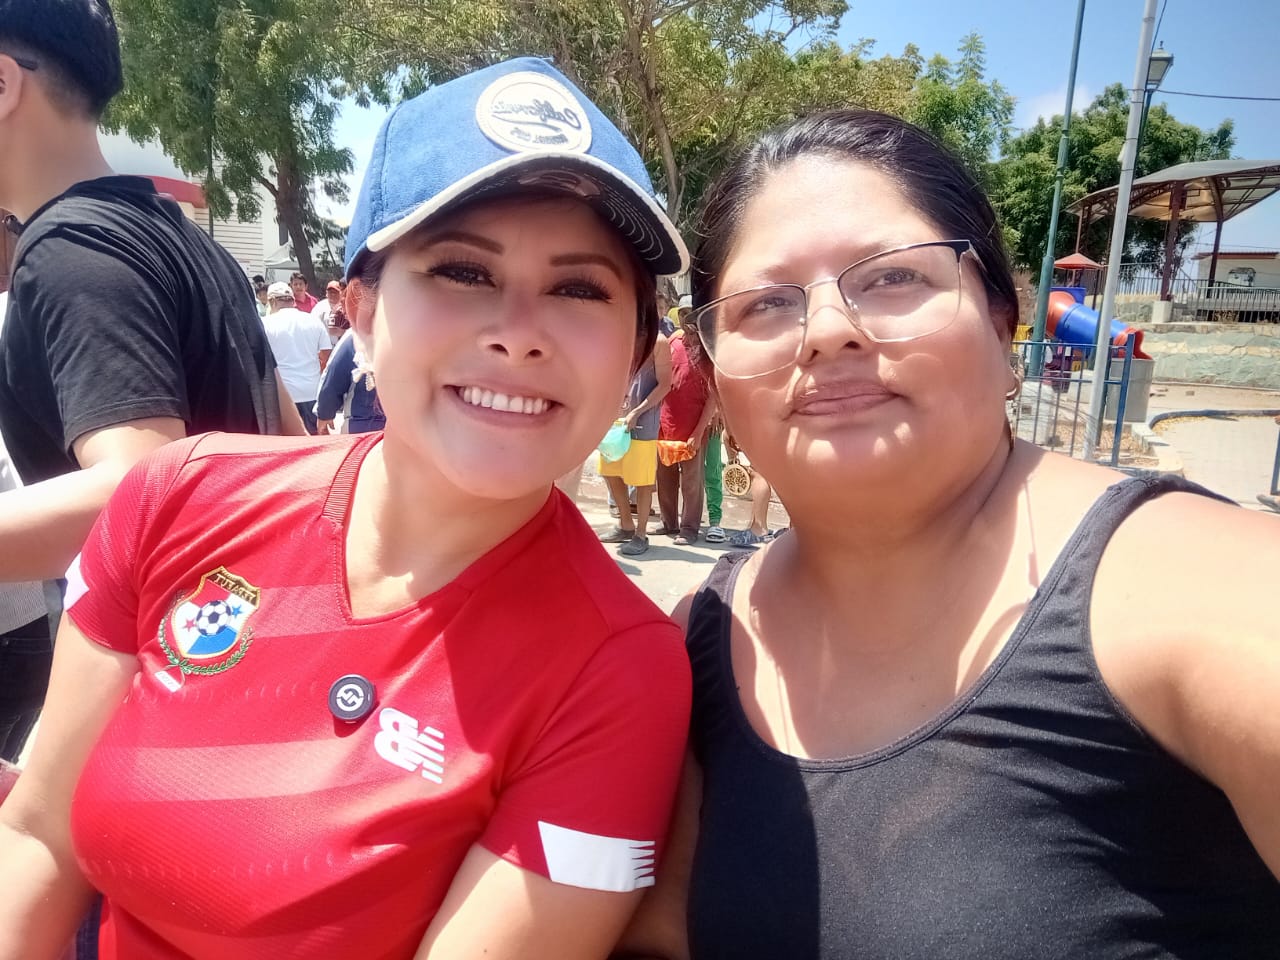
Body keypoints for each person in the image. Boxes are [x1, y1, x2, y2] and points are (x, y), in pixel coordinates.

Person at [0, 57, 693, 960]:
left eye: (578, 288)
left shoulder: (620, 673)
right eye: (462, 271)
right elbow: (38, 837)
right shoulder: (178, 498)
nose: (518, 334)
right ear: (360, 311)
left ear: (637, 349)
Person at [618, 109, 1280, 958]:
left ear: (1003, 326)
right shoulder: (702, 637)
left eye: (894, 277)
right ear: (716, 378)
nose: (828, 330)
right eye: (767, 304)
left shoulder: (1197, 589)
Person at [0, 0, 302, 762]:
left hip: (150, 696)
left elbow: (143, 490)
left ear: (3, 85)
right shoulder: (189, 243)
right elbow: (293, 446)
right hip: (239, 668)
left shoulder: (69, 248)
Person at [599, 333, 672, 557]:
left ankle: (641, 534)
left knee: (642, 480)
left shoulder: (658, 342)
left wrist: (637, 411)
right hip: (616, 417)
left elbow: (665, 384)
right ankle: (625, 525)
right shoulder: (622, 333)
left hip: (643, 420)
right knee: (610, 470)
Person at [655, 326, 715, 546]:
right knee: (664, 477)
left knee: (691, 482)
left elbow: (713, 398)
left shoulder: (707, 351)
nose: (688, 333)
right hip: (666, 424)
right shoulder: (673, 343)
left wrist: (698, 432)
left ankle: (689, 528)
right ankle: (668, 522)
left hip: (693, 428)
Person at [262, 280, 332, 434]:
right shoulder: (313, 320)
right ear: (292, 300)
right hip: (311, 392)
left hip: (282, 397)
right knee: (314, 443)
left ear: (272, 301)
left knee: (287, 445)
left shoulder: (265, 324)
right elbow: (327, 356)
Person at [314, 327, 384, 435]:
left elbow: (335, 375)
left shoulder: (355, 336)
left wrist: (325, 413)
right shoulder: (410, 332)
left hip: (360, 425)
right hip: (405, 428)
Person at [312, 279, 348, 344]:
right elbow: (313, 327)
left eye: (335, 292)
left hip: (344, 343)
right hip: (326, 344)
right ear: (326, 293)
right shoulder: (319, 308)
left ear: (340, 293)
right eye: (330, 292)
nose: (333, 294)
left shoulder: (346, 305)